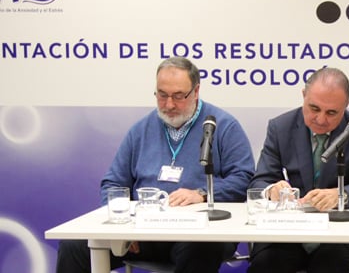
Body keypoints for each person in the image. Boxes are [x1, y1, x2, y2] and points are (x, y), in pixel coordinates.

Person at [55, 56, 255, 273]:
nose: (169, 104)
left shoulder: (223, 126)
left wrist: (202, 194)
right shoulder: (140, 130)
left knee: (199, 248)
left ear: (196, 92)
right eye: (162, 95)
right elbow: (113, 183)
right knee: (73, 246)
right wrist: (123, 223)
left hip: (199, 233)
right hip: (144, 234)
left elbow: (244, 179)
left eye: (179, 96)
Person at [247, 67, 349, 273]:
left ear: (346, 106)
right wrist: (271, 189)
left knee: (329, 265)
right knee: (267, 264)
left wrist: (340, 194)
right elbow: (260, 180)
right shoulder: (280, 127)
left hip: (338, 231)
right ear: (303, 96)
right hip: (288, 231)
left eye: (332, 112)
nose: (321, 119)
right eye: (314, 108)